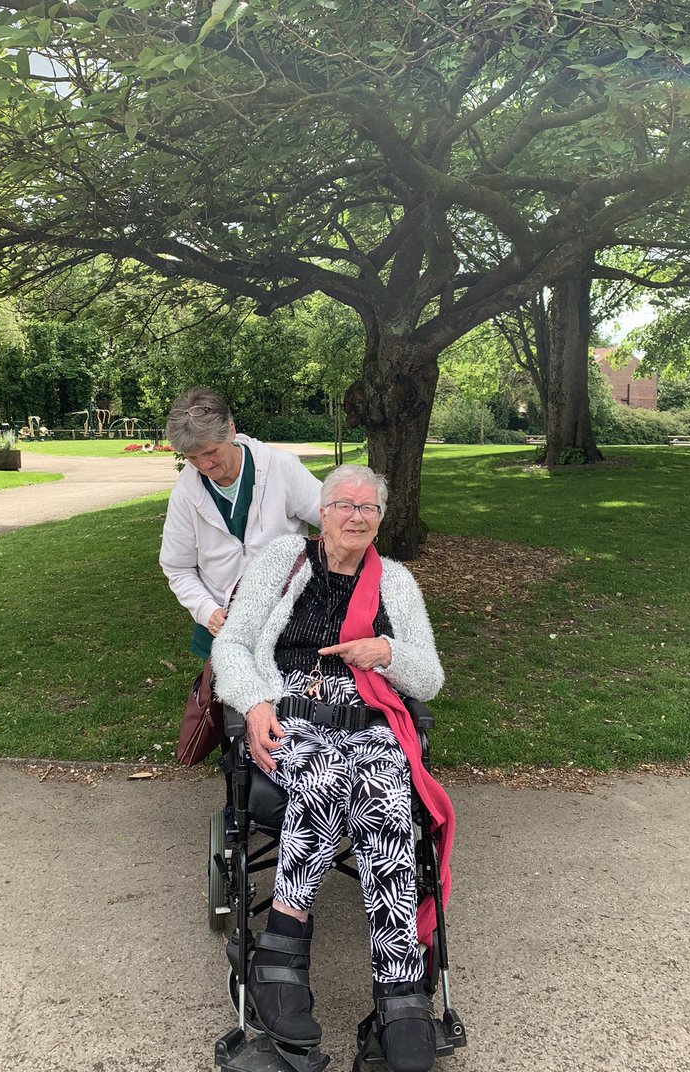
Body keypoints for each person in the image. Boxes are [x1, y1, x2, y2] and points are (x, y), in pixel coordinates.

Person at [212, 464, 453, 1072]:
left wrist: (388, 651)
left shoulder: (395, 582)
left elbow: (431, 676)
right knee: (323, 780)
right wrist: (254, 701)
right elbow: (232, 644)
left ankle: (398, 996)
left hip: (367, 722)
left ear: (380, 519)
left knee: (390, 803)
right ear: (322, 513)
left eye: (367, 508)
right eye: (343, 504)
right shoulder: (282, 562)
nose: (355, 516)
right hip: (286, 714)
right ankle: (284, 953)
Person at [159, 386, 322, 666]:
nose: (204, 465)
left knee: (290, 703)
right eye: (192, 457)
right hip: (224, 625)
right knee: (230, 704)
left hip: (290, 618)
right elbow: (177, 566)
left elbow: (334, 519)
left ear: (231, 430)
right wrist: (205, 609)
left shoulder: (281, 468)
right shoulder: (185, 493)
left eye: (211, 452)